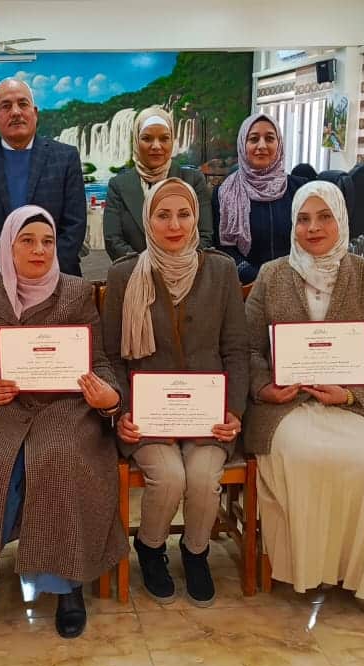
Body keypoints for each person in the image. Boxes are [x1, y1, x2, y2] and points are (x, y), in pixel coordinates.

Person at [0, 205, 128, 642]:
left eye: (47, 241)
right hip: (5, 408)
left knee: (57, 456)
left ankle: (66, 585)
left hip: (67, 406)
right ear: (8, 246)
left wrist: (109, 396)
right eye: (27, 241)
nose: (39, 250)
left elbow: (98, 359)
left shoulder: (77, 292)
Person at [243, 181, 364, 615]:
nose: (313, 228)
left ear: (341, 220)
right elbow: (248, 348)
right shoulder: (272, 274)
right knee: (302, 455)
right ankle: (307, 570)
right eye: (303, 219)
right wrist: (265, 386)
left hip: (355, 407)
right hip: (289, 406)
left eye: (324, 217)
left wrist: (350, 393)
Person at [102, 178, 247, 606]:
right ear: (147, 219)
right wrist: (123, 413)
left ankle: (196, 552)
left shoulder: (221, 270)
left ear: (196, 217)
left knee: (202, 477)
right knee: (168, 477)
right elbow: (110, 356)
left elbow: (236, 349)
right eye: (163, 215)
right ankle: (150, 547)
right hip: (147, 414)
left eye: (184, 214)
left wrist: (234, 411)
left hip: (209, 413)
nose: (174, 225)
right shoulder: (124, 274)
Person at [0, 79, 88, 284]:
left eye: (23, 104)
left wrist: (42, 273)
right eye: (6, 106)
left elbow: (75, 224)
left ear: (35, 113)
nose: (15, 112)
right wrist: (3, 276)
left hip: (56, 281)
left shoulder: (66, 158)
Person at [104, 106, 212, 259]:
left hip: (187, 270)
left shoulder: (193, 181)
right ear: (136, 141)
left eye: (164, 138)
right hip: (135, 270)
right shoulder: (118, 186)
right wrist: (146, 266)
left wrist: (174, 266)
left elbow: (205, 236)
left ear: (172, 141)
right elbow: (113, 241)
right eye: (147, 138)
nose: (156, 146)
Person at [212, 113, 308, 284]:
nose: (262, 145)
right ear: (243, 145)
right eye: (254, 139)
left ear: (279, 144)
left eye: (269, 138)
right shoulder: (223, 194)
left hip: (297, 283)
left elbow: (311, 238)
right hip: (247, 288)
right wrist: (259, 279)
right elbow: (224, 249)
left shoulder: (301, 189)